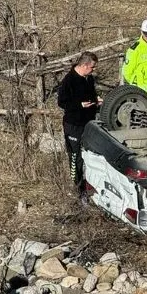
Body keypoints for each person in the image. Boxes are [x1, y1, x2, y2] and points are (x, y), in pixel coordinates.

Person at [58, 51, 101, 196]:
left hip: (88, 124)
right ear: (83, 65)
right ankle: (77, 190)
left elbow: (90, 96)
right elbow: (62, 102)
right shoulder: (69, 81)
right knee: (75, 158)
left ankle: (90, 186)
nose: (93, 70)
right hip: (73, 125)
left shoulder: (88, 79)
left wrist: (96, 100)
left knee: (90, 156)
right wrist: (79, 105)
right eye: (92, 67)